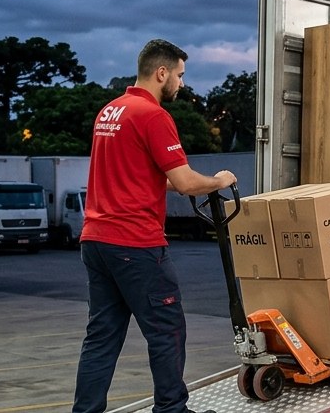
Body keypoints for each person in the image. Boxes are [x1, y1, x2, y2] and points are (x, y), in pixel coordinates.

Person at [73, 39, 237, 413]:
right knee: (166, 331)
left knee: (101, 337)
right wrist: (219, 180)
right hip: (135, 244)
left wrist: (181, 182)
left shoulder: (109, 112)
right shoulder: (153, 116)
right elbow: (185, 183)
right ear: (161, 73)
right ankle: (171, 410)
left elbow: (140, 176)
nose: (181, 83)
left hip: (96, 241)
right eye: (179, 75)